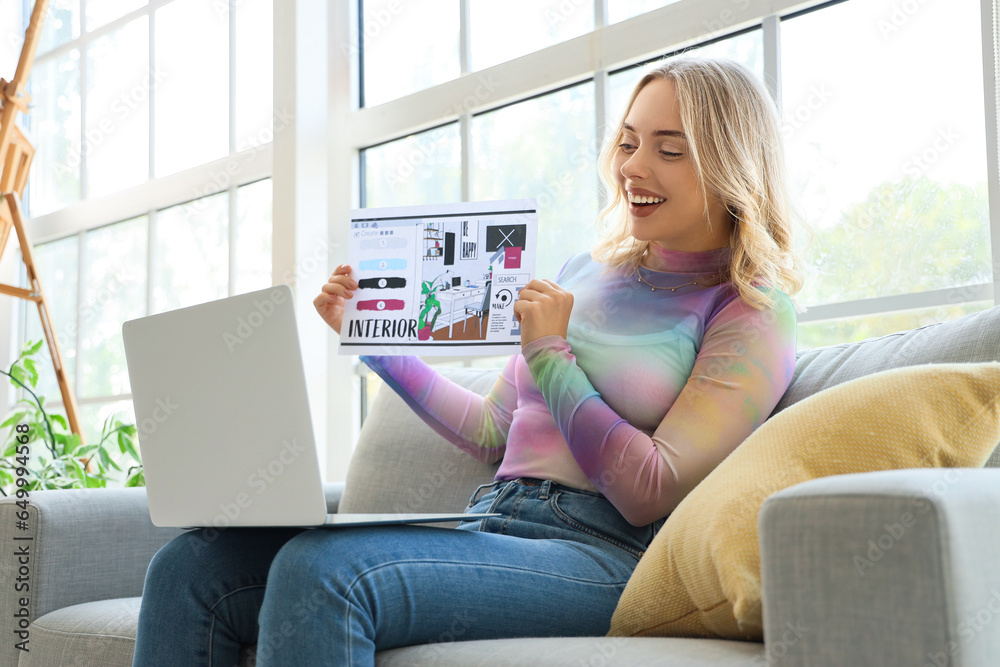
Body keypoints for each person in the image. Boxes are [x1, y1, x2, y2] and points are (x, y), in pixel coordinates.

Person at [132, 56, 801, 666]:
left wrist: (550, 352)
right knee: (190, 568)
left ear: (730, 162)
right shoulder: (583, 273)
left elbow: (649, 487)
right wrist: (371, 340)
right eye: (627, 142)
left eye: (669, 149)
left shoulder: (751, 310)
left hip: (604, 556)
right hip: (494, 518)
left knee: (325, 571)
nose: (632, 166)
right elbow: (490, 429)